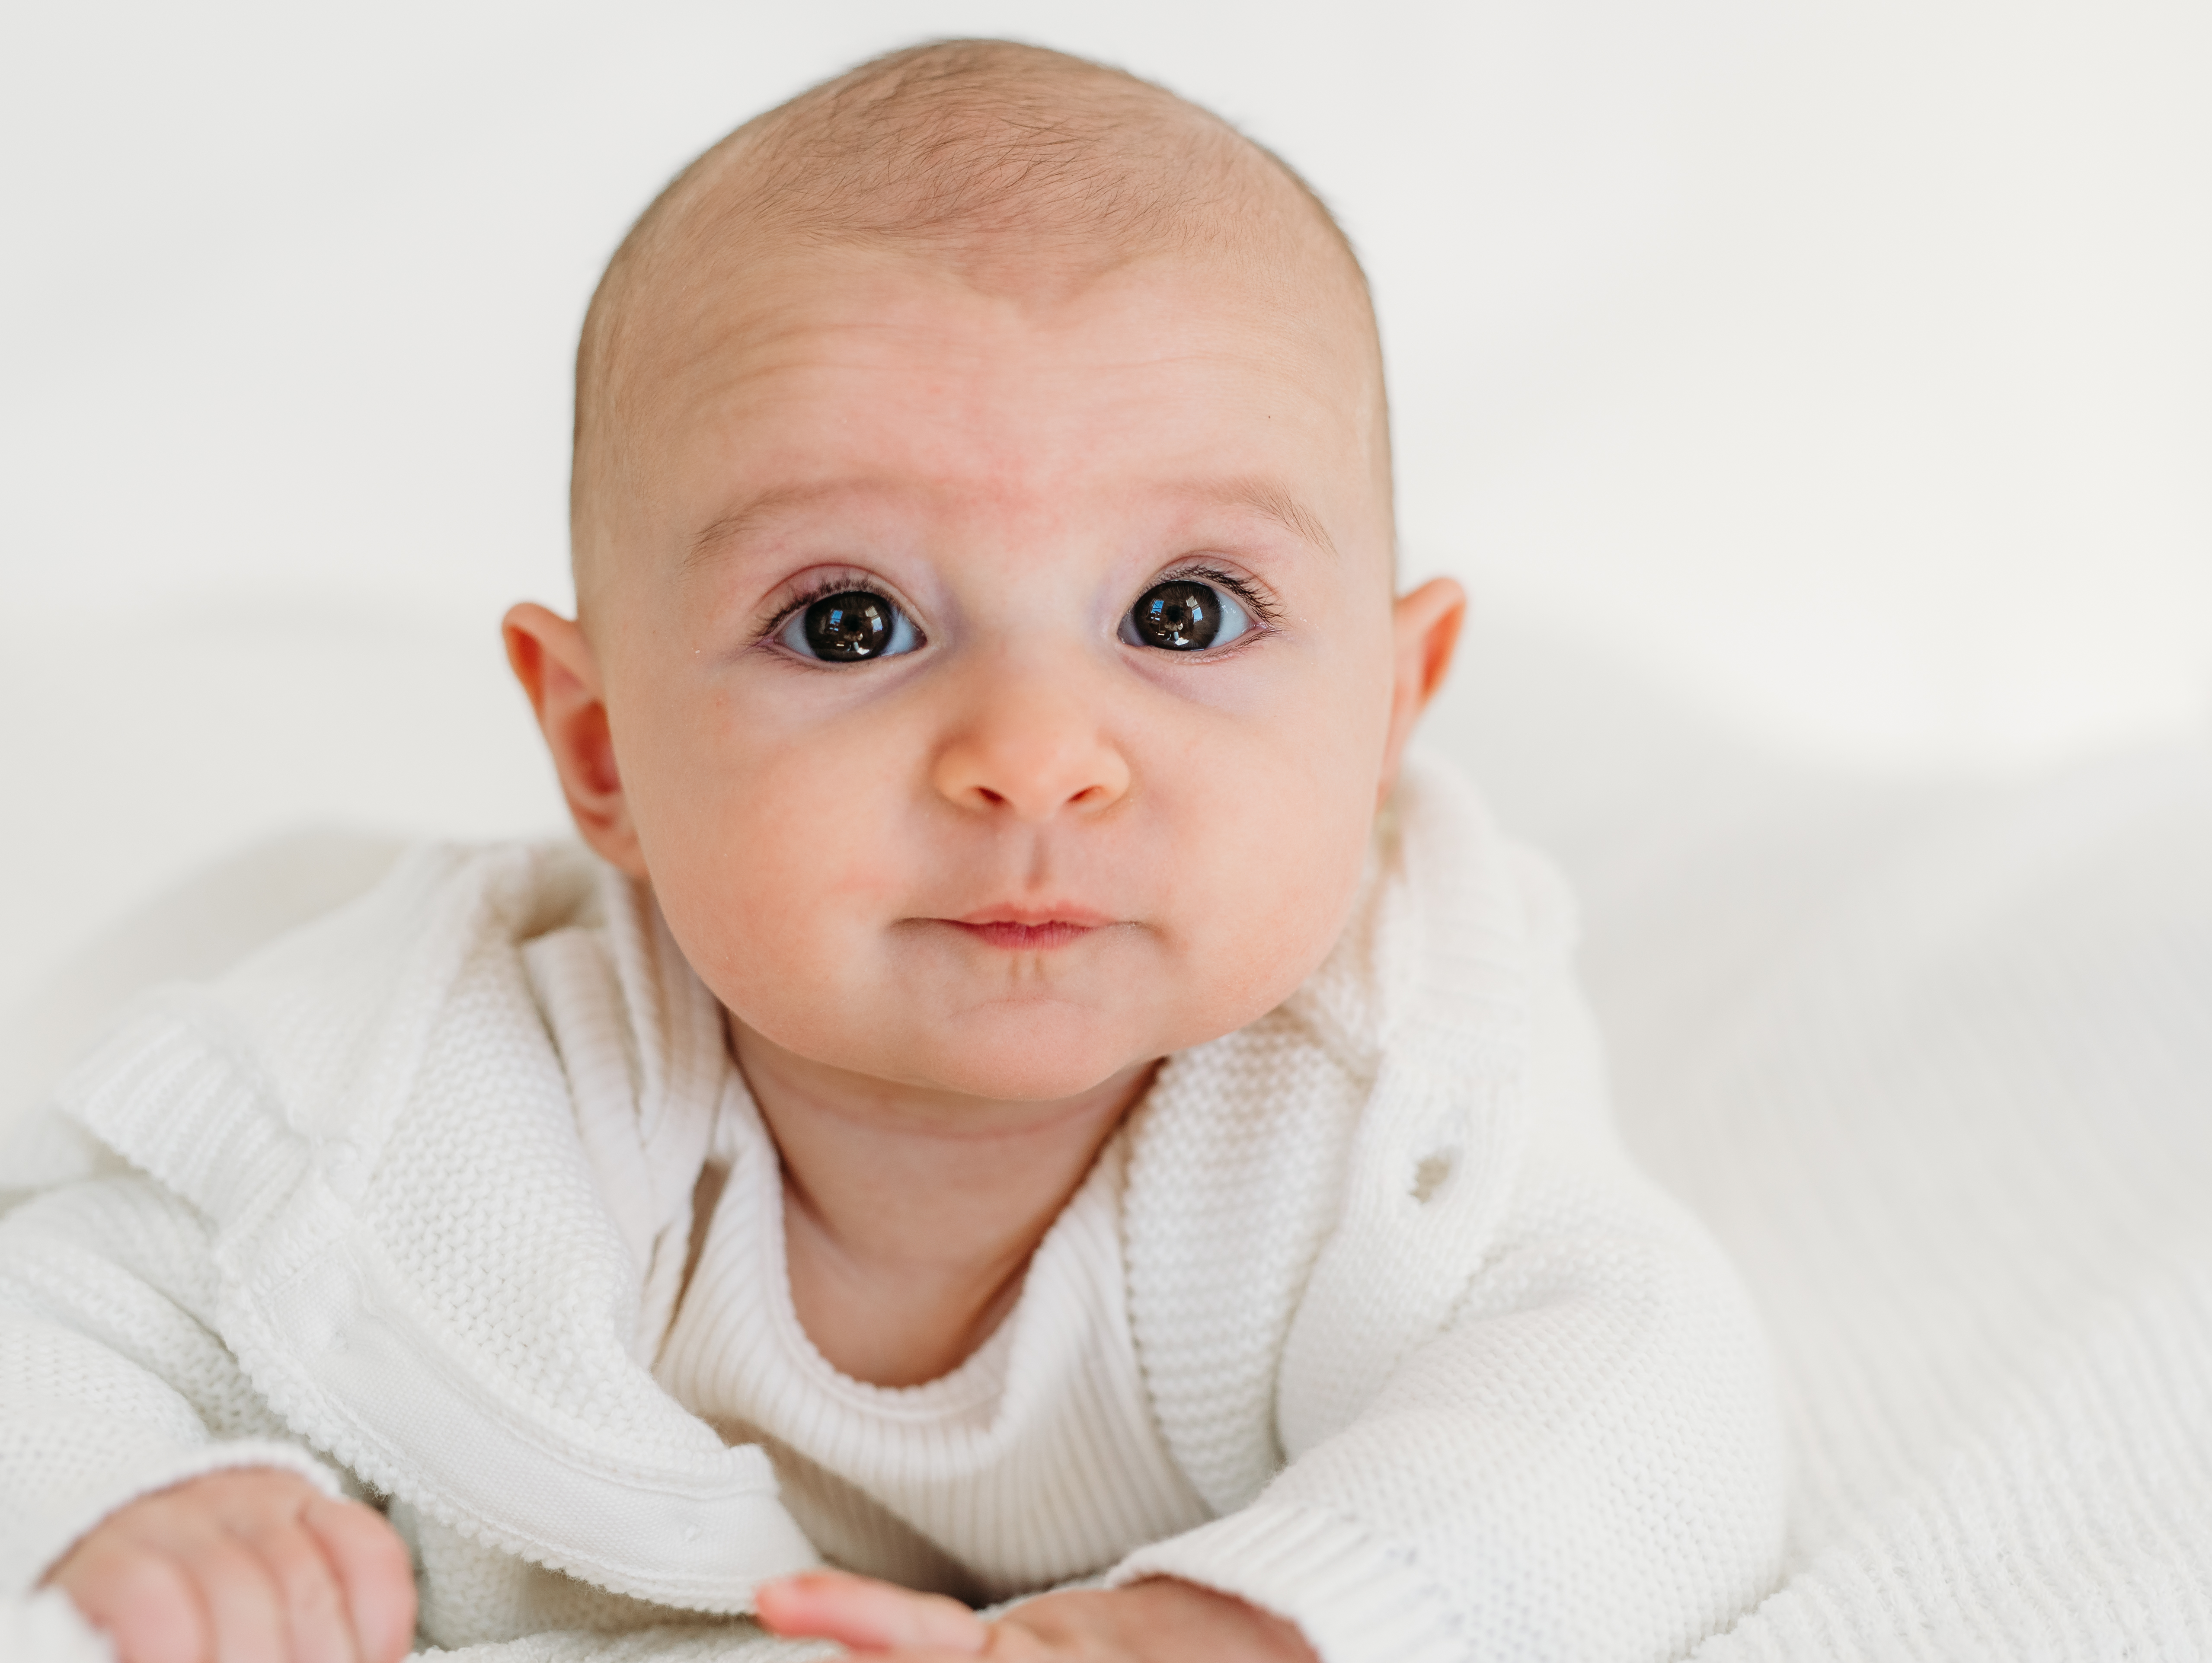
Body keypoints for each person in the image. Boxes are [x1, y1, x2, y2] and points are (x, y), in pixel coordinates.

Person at [1, 39, 1786, 1663]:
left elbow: (1641, 1405)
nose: (1033, 759)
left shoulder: (1385, 1086)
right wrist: (130, 1502)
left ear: (1391, 713)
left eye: (1182, 609)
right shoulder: (446, 1090)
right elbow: (61, 1309)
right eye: (850, 624)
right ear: (603, 748)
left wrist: (1250, 1620)